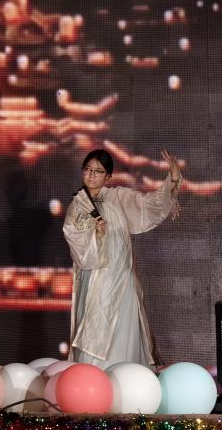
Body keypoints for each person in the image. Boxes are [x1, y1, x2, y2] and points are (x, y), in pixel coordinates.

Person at [63, 148, 181, 368]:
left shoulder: (118, 198)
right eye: (87, 169)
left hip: (121, 280)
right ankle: (92, 382)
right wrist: (95, 235)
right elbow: (74, 237)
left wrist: (172, 179)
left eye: (98, 171)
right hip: (93, 281)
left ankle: (126, 381)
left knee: (123, 336)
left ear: (108, 177)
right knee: (93, 332)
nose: (91, 175)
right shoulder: (78, 205)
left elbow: (149, 204)